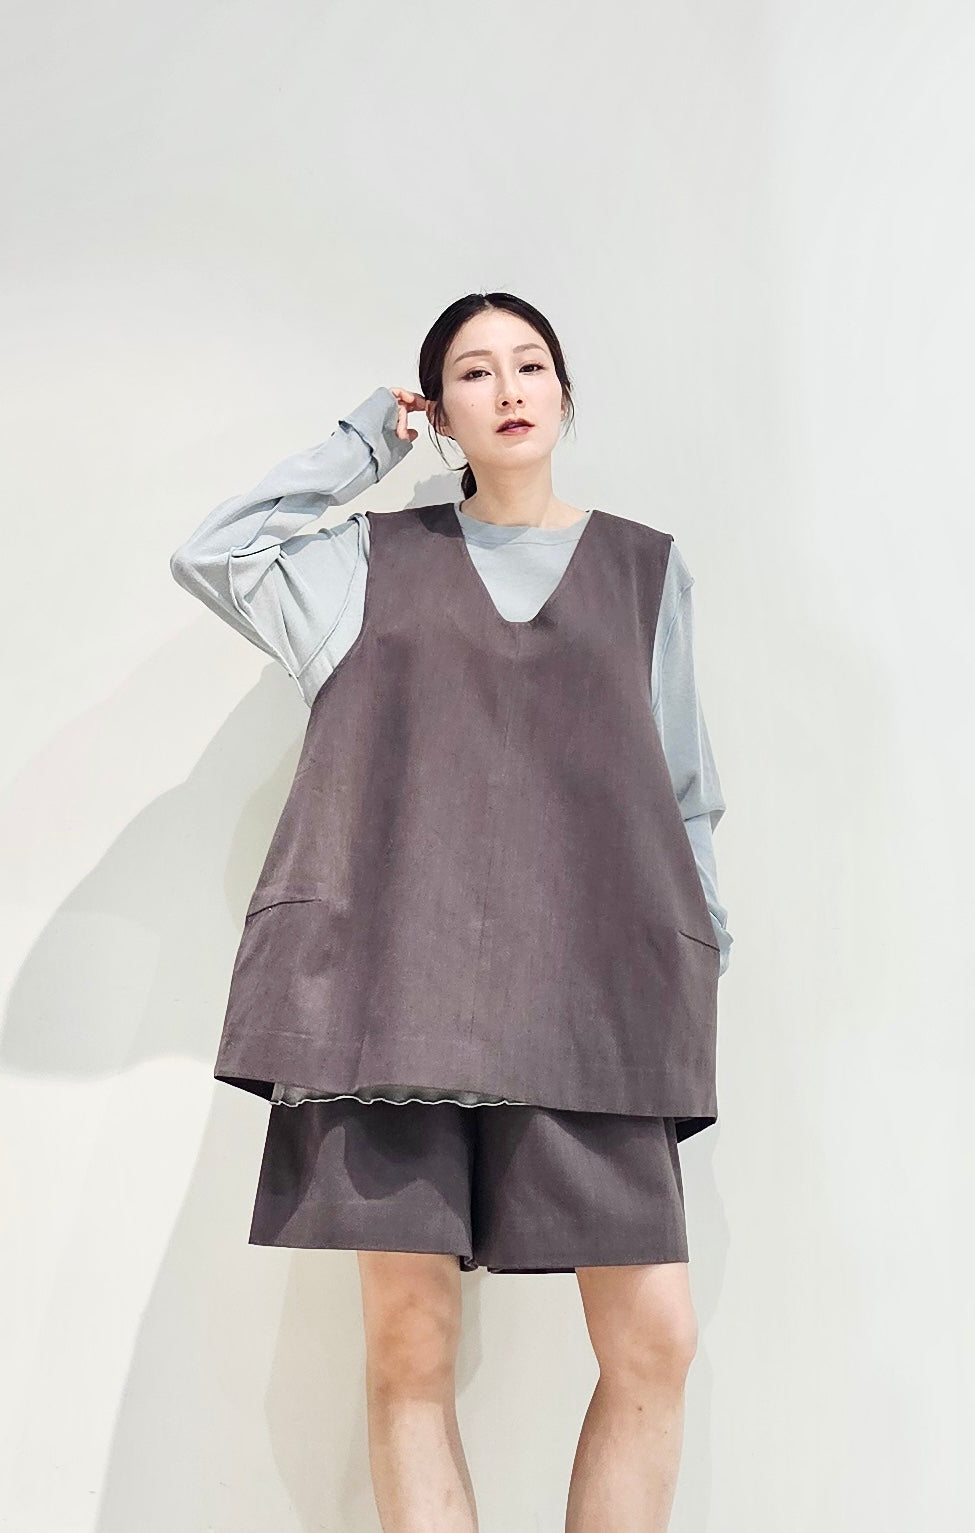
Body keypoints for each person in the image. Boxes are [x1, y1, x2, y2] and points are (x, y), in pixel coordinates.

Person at [170, 290, 732, 1532]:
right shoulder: (366, 565)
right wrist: (365, 442)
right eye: (473, 372)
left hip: (596, 1006)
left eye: (531, 364)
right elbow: (217, 553)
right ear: (442, 410)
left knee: (656, 1340)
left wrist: (703, 954)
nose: (510, 388)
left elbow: (686, 794)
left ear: (566, 392)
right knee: (411, 1343)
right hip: (395, 1005)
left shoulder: (645, 570)